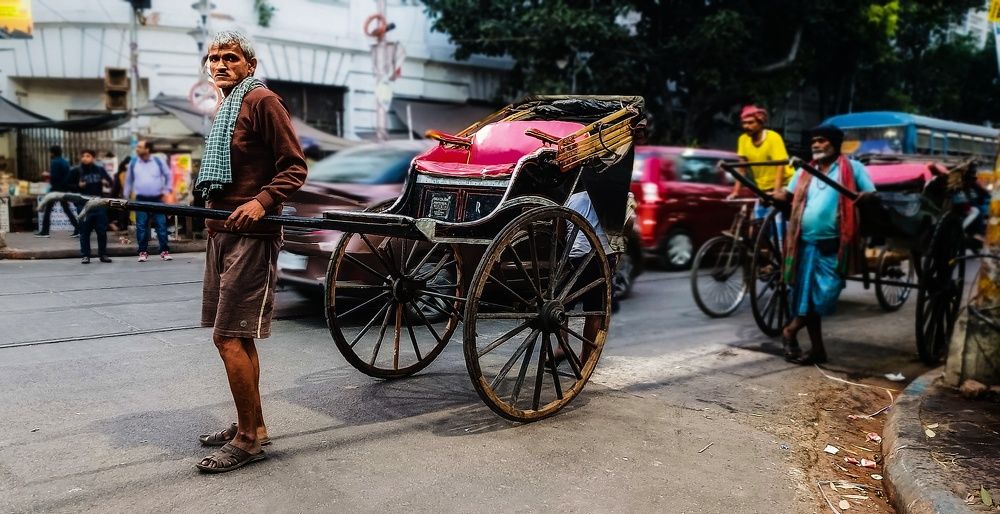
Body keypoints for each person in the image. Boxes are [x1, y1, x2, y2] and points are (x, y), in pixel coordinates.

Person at [193, 30, 307, 473]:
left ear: (249, 65)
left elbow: (293, 167)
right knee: (236, 335)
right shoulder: (225, 106)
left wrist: (262, 201)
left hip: (251, 236)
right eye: (214, 58)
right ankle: (253, 425)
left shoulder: (261, 101)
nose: (220, 64)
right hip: (220, 231)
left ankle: (247, 441)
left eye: (231, 57)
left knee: (226, 337)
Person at [773, 125, 876, 365]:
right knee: (806, 296)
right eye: (813, 141)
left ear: (835, 143)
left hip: (833, 245)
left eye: (821, 140)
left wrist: (865, 197)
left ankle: (790, 329)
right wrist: (771, 195)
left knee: (825, 295)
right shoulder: (804, 170)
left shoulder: (853, 168)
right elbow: (787, 195)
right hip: (805, 244)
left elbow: (871, 192)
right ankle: (818, 350)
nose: (816, 145)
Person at [728, 105, 795, 219]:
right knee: (756, 220)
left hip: (785, 184)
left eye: (750, 123)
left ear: (760, 123)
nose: (746, 126)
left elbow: (780, 165)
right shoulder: (743, 140)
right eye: (744, 123)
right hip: (763, 188)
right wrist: (735, 192)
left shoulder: (773, 137)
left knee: (777, 220)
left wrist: (777, 191)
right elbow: (742, 169)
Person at [124, 140, 173, 262]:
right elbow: (128, 181)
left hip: (158, 199)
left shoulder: (158, 161)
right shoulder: (134, 162)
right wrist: (125, 198)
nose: (137, 149)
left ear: (147, 149)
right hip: (141, 199)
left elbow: (168, 175)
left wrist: (167, 191)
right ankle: (142, 251)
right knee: (141, 226)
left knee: (161, 225)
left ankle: (164, 251)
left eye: (140, 147)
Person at [74, 150, 114, 264]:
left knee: (101, 231)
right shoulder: (77, 171)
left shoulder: (100, 170)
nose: (85, 158)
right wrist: (78, 186)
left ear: (93, 158)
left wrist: (106, 183)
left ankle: (103, 254)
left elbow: (111, 183)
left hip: (98, 204)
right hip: (84, 205)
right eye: (83, 156)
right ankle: (85, 255)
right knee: (84, 232)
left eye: (88, 156)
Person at [36, 144, 80, 237]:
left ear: (52, 153)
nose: (50, 154)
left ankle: (45, 231)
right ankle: (78, 228)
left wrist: (47, 175)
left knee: (48, 209)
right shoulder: (65, 161)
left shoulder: (55, 162)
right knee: (66, 209)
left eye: (50, 152)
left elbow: (55, 177)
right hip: (63, 188)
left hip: (56, 189)